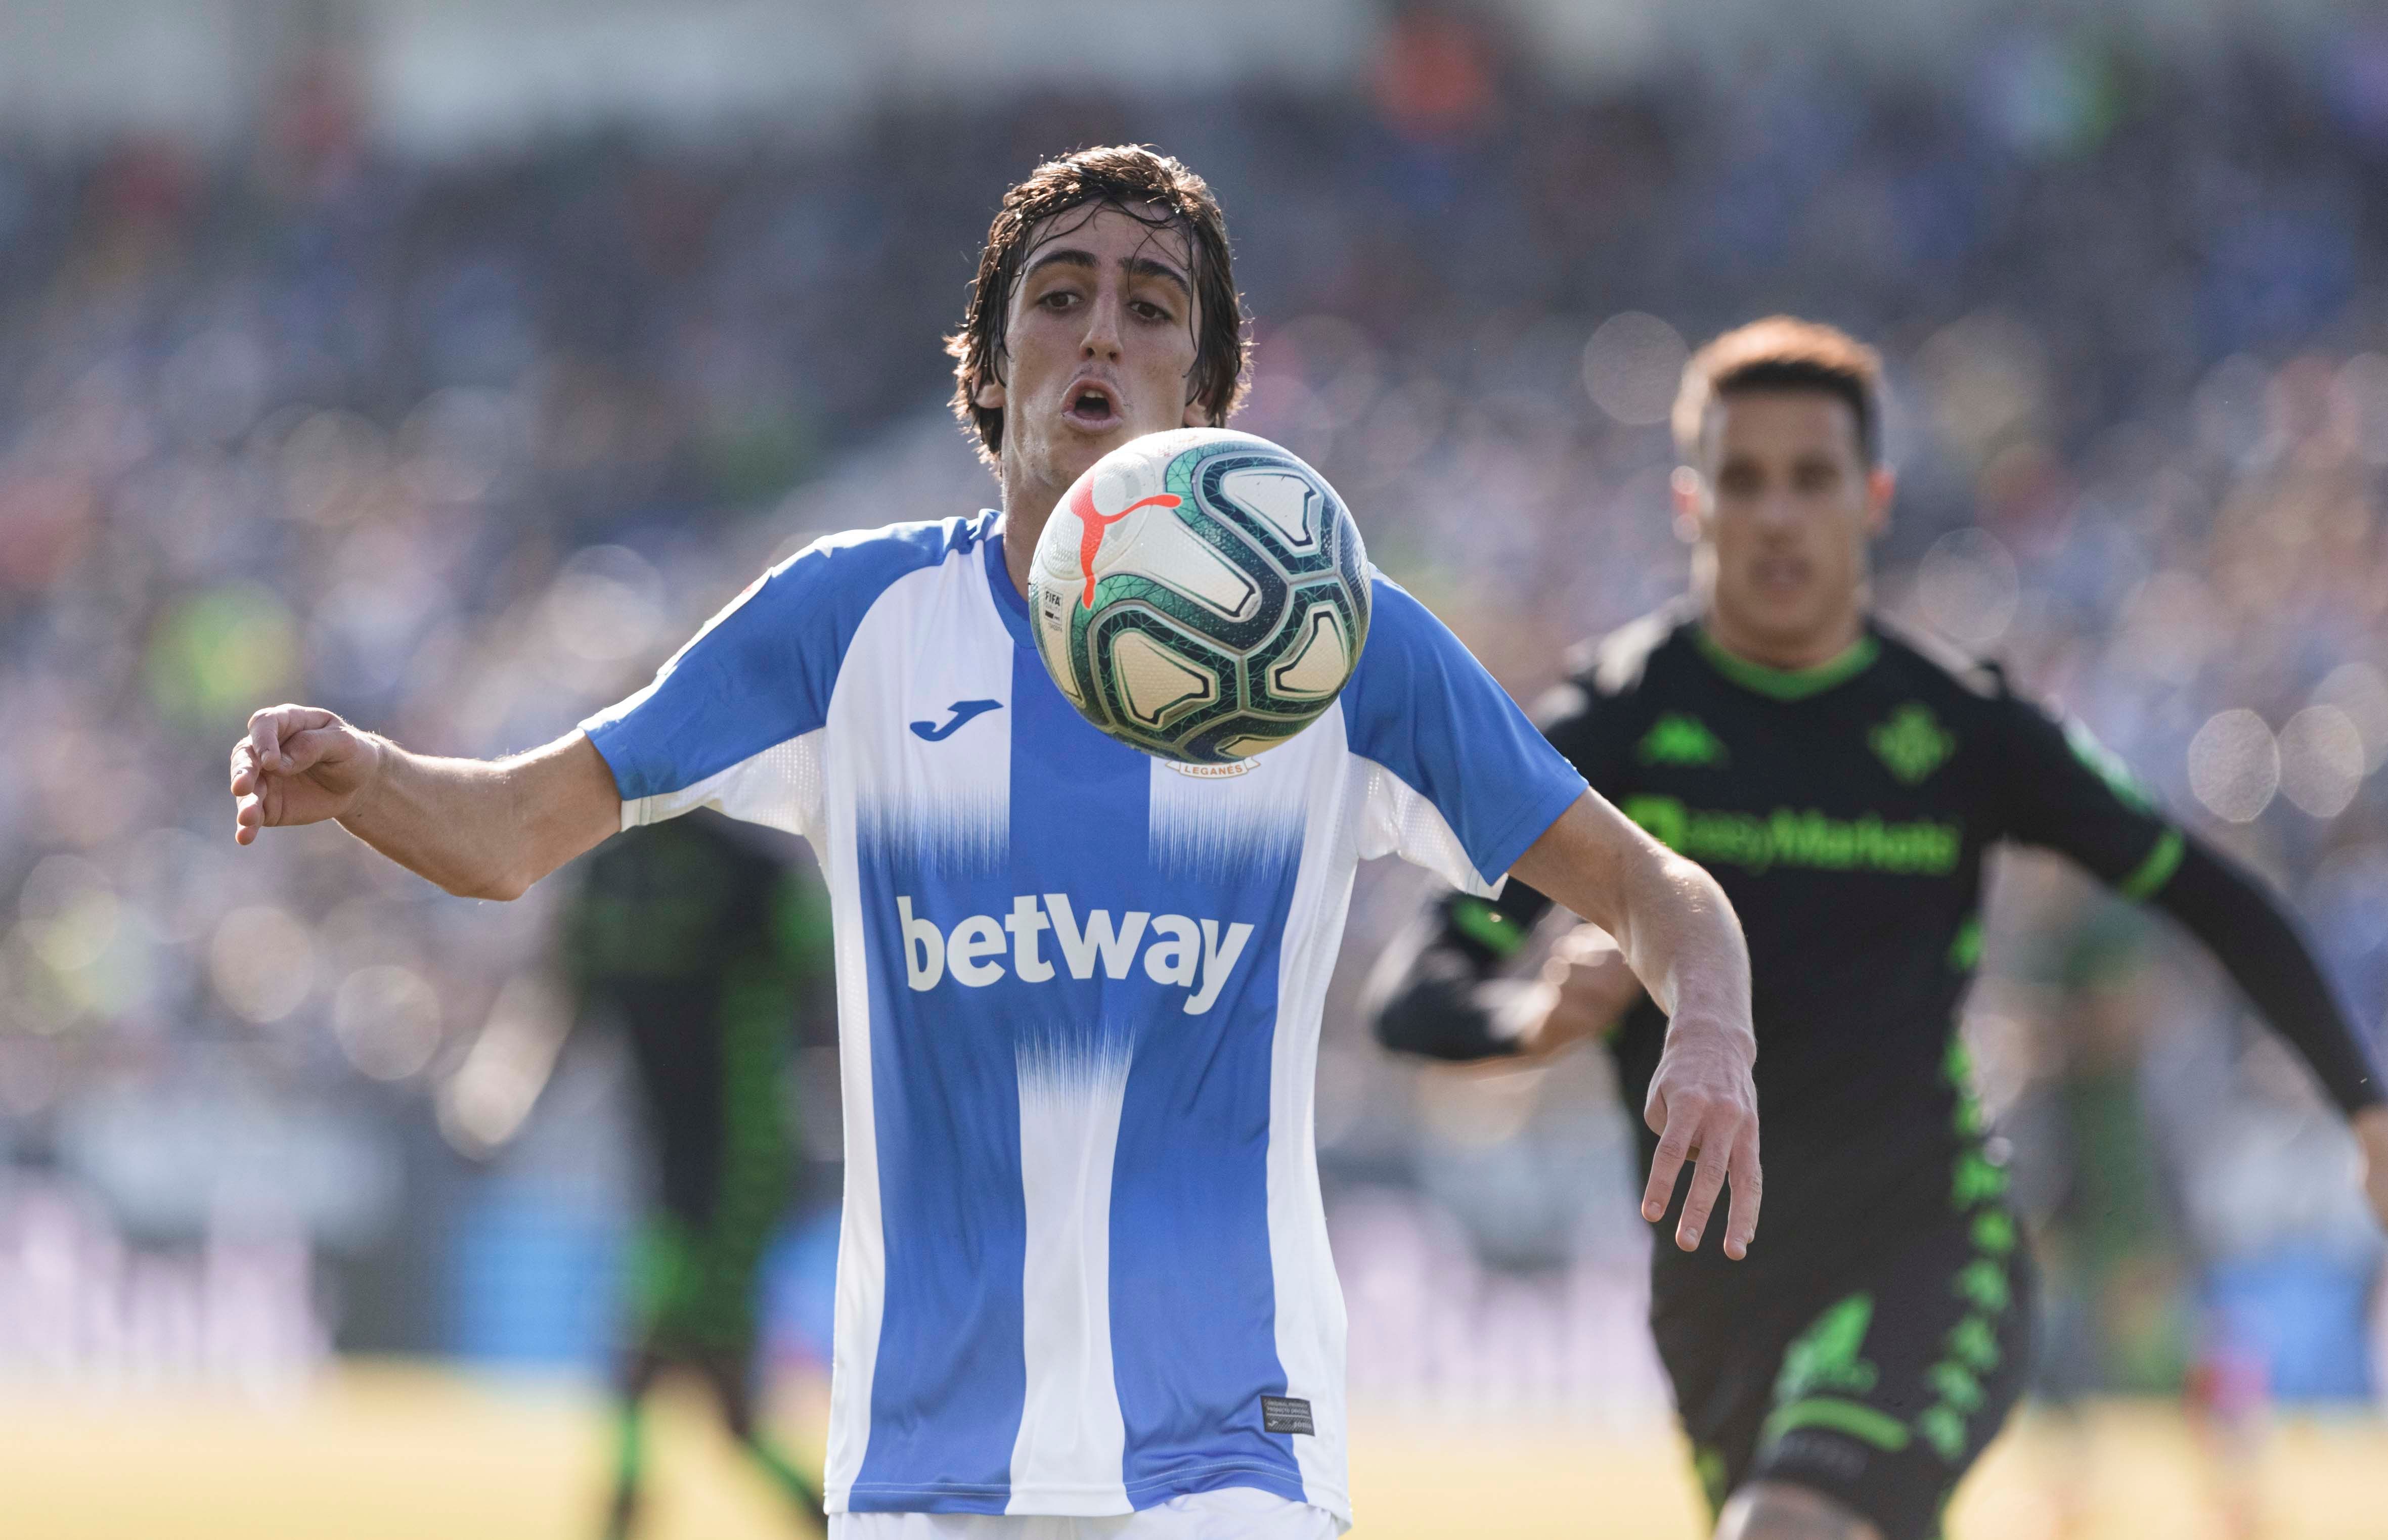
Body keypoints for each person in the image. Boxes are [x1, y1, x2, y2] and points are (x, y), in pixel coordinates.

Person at [226, 146, 1762, 1539]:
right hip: (924, 1471)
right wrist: (367, 774)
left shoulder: (1328, 644)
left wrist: (1711, 1022)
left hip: (1233, 1447)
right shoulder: (845, 622)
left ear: (1206, 382)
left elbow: (1653, 885)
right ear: (989, 361)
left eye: (1153, 305)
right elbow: (509, 832)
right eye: (1061, 293)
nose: (1102, 330)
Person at [1366, 316, 2388, 1540]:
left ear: (1876, 498)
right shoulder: (1615, 724)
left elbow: (2209, 893)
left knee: (1790, 1527)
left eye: (1814, 479)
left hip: (1928, 1241)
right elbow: (1414, 988)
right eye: (1745, 480)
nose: (1779, 515)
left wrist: (2365, 1101)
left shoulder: (1959, 724)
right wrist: (1531, 1014)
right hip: (1717, 1286)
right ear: (1692, 503)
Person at [562, 809, 832, 1538]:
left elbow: (830, 995)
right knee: (724, 1403)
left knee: (646, 1355)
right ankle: (831, 1520)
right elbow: (565, 997)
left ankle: (620, 1515)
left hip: (740, 1167)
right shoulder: (610, 873)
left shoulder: (749, 874)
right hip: (672, 1168)